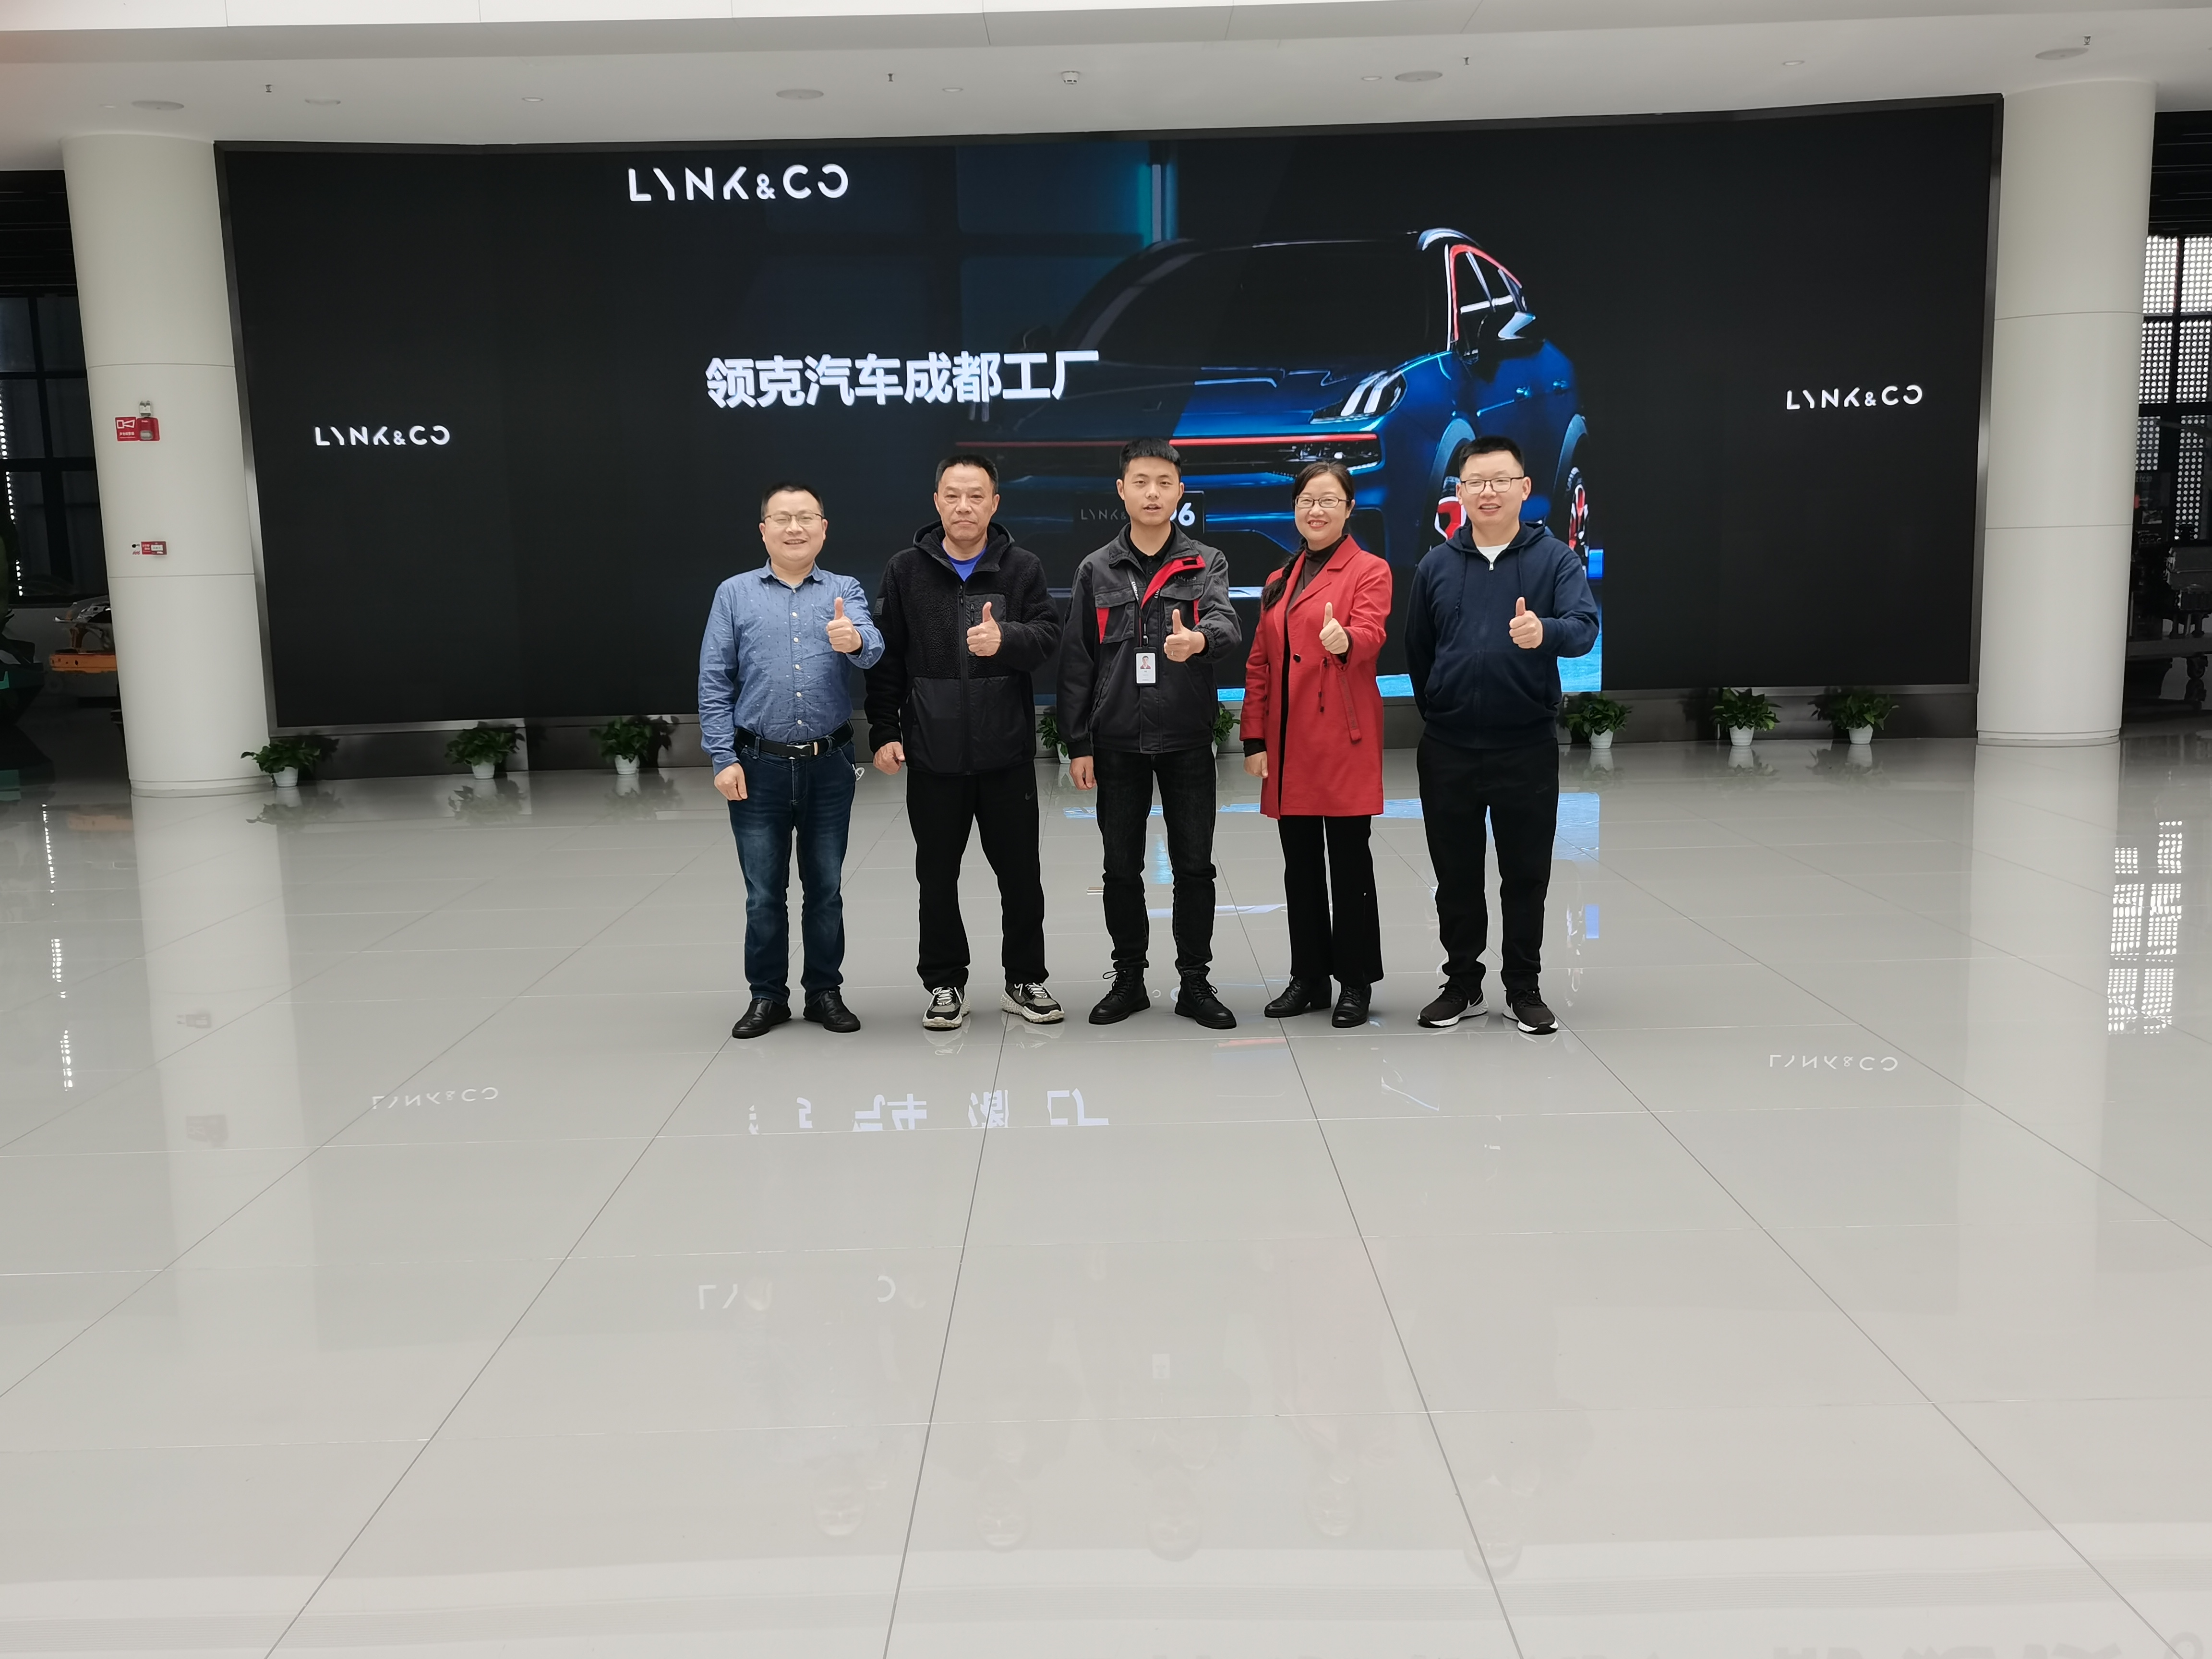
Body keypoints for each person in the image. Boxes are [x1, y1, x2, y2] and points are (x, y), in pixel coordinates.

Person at [1406, 435, 1598, 1034]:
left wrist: (1545, 632)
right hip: (1449, 748)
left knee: (1526, 874)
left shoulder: (1555, 560)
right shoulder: (1435, 566)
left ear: (1524, 488)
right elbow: (1419, 650)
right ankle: (1462, 984)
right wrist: (1443, 709)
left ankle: (1524, 987)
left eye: (1500, 480)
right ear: (1460, 492)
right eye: (1475, 482)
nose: (1487, 492)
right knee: (1455, 875)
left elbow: (1584, 627)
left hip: (1526, 746)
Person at [867, 453, 1063, 1030]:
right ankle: (945, 983)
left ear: (995, 503)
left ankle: (1025, 980)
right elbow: (887, 659)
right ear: (936, 502)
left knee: (1020, 876)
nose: (964, 506)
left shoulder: (1022, 568)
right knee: (937, 877)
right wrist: (884, 730)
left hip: (1006, 753)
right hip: (933, 753)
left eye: (976, 495)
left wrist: (1007, 639)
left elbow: (1048, 636)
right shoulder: (905, 571)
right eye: (953, 495)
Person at [1057, 437, 1241, 1029]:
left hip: (1186, 737)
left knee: (1195, 866)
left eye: (1164, 482)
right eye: (1141, 482)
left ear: (1180, 491)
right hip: (1116, 742)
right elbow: (1077, 662)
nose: (1153, 493)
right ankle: (1129, 978)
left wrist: (1200, 640)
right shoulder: (1096, 569)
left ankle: (1195, 982)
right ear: (1122, 491)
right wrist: (1078, 743)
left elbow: (1226, 623)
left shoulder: (1206, 562)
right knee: (1120, 867)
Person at [699, 481, 883, 1039]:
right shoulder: (734, 594)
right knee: (763, 894)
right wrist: (722, 757)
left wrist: (854, 640)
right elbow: (714, 681)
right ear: (764, 531)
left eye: (806, 517)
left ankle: (825, 992)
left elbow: (873, 648)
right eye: (782, 518)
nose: (795, 527)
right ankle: (767, 997)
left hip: (829, 764)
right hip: (757, 765)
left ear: (824, 529)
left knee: (825, 889)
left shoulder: (844, 589)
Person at [1240, 461, 1393, 1029]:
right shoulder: (1279, 579)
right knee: (1299, 867)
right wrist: (1254, 737)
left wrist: (1344, 638)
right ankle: (1307, 977)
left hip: (1342, 736)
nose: (1317, 510)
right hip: (1287, 743)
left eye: (1329, 500)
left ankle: (1354, 980)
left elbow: (1372, 633)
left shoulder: (1370, 569)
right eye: (1307, 500)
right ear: (1295, 509)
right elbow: (1259, 663)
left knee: (1350, 866)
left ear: (1349, 509)